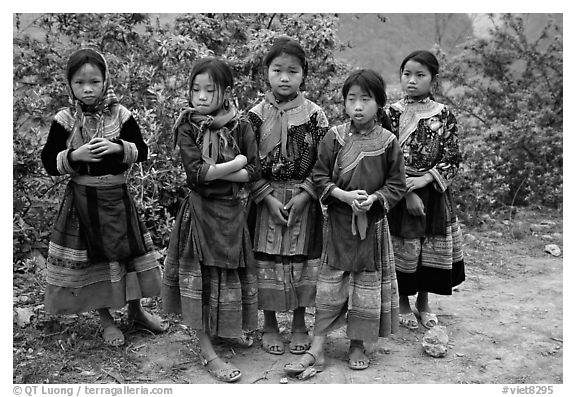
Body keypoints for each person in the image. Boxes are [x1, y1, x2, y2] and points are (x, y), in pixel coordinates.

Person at [40, 48, 167, 347]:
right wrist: (75, 155)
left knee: (129, 255)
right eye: (80, 82)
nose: (87, 88)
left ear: (105, 81)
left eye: (94, 81)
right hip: (83, 201)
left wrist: (118, 148)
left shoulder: (120, 114)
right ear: (69, 84)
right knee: (94, 259)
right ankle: (106, 319)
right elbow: (48, 162)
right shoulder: (65, 119)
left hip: (117, 197)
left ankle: (136, 312)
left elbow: (143, 150)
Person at [284, 69, 406, 375]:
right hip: (338, 225)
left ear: (379, 103)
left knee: (365, 286)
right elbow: (320, 176)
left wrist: (375, 199)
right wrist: (344, 196)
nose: (358, 106)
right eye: (352, 99)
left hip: (372, 228)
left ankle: (357, 344)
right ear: (345, 103)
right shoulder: (334, 136)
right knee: (330, 286)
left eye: (366, 99)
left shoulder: (389, 142)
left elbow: (397, 185)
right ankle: (317, 347)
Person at [161, 57, 261, 383]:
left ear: (227, 92)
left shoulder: (241, 124)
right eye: (195, 89)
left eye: (209, 90)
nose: (201, 97)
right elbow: (196, 175)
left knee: (226, 274)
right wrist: (237, 164)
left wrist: (224, 171)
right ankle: (207, 350)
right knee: (201, 278)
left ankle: (226, 330)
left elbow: (256, 171)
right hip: (200, 213)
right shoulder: (187, 125)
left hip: (232, 212)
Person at [247, 37, 329, 356]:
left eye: (292, 71)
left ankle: (298, 323)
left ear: (303, 75)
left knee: (301, 262)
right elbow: (247, 161)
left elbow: (325, 160)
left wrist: (307, 195)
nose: (284, 77)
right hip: (265, 199)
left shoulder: (315, 115)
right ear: (266, 72)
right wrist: (265, 196)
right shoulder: (254, 116)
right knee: (265, 261)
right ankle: (269, 324)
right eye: (277, 70)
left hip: (303, 199)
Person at [386, 50, 465, 330]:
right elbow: (384, 155)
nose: (412, 80)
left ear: (433, 79)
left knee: (429, 248)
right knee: (404, 247)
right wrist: (407, 190)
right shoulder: (390, 114)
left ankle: (424, 302)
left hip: (433, 191)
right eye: (407, 74)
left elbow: (453, 156)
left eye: (420, 75)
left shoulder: (444, 115)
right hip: (399, 191)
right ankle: (404, 302)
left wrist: (425, 180)